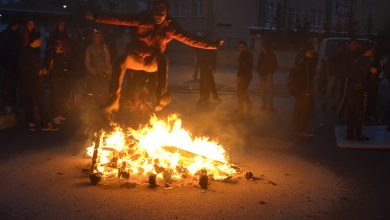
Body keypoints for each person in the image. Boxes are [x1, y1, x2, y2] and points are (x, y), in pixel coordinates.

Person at [86, 0, 222, 113]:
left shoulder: (171, 27)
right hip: (137, 59)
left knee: (163, 59)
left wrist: (213, 45)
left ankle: (161, 96)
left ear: (167, 12)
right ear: (152, 10)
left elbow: (191, 39)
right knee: (122, 60)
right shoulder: (143, 19)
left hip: (152, 62)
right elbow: (120, 19)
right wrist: (96, 16)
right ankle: (114, 99)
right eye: (155, 12)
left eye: (161, 13)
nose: (157, 16)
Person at [19, 32, 57, 131]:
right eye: (39, 40)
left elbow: (37, 63)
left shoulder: (37, 50)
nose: (41, 42)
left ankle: (44, 123)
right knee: (30, 102)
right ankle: (30, 122)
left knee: (41, 101)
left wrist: (43, 69)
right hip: (28, 81)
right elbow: (24, 67)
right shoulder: (25, 51)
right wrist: (36, 71)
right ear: (35, 40)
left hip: (37, 81)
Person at [346, 45, 377, 140]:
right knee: (360, 112)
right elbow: (366, 76)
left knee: (352, 111)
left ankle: (349, 133)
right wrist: (373, 71)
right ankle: (358, 133)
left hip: (353, 88)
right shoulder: (366, 61)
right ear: (367, 51)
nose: (373, 52)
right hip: (361, 89)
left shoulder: (356, 60)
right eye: (371, 50)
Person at [292, 44, 317, 137]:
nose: (312, 53)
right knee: (306, 110)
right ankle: (301, 129)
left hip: (300, 91)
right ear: (306, 52)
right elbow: (305, 78)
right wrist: (307, 91)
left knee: (299, 110)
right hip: (304, 91)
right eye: (310, 51)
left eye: (312, 51)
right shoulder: (305, 63)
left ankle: (297, 128)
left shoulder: (301, 61)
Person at [0, 18, 23, 113]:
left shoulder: (11, 34)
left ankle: (11, 104)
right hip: (9, 64)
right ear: (16, 25)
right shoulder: (9, 34)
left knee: (11, 85)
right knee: (8, 85)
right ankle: (8, 104)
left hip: (12, 63)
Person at [47, 39, 72, 125]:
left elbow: (65, 66)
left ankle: (58, 114)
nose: (61, 46)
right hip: (54, 79)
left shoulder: (61, 55)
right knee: (55, 98)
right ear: (56, 46)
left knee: (60, 97)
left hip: (61, 79)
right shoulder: (52, 55)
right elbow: (50, 67)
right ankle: (54, 116)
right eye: (59, 45)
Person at [85, 31, 112, 102]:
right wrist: (92, 71)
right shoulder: (89, 48)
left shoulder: (105, 48)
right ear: (93, 38)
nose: (98, 39)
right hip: (94, 75)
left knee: (104, 95)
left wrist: (109, 71)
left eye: (99, 37)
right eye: (96, 37)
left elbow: (108, 61)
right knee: (94, 94)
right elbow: (87, 63)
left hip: (103, 75)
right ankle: (93, 110)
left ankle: (104, 110)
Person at [337, 39, 361, 117]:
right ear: (349, 45)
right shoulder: (346, 54)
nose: (355, 46)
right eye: (353, 44)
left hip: (354, 78)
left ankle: (351, 112)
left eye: (356, 44)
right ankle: (340, 112)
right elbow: (344, 67)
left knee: (353, 96)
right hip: (346, 78)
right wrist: (349, 75)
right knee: (344, 95)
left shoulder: (358, 54)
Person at [323, 42, 345, 112]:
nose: (341, 49)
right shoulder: (335, 55)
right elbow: (329, 64)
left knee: (335, 91)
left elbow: (328, 64)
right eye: (341, 47)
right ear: (338, 48)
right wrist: (329, 73)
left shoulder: (340, 55)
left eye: (342, 48)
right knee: (331, 90)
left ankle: (333, 105)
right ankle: (327, 105)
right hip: (333, 75)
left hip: (337, 75)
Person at [257, 42, 278, 112]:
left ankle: (271, 106)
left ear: (265, 47)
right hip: (262, 75)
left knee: (270, 91)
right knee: (263, 91)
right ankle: (264, 105)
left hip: (269, 76)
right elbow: (258, 64)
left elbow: (275, 65)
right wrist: (259, 72)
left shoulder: (272, 55)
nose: (261, 48)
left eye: (262, 47)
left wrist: (271, 72)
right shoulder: (261, 55)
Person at [236, 41, 253, 113]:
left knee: (242, 91)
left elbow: (246, 67)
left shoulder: (247, 55)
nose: (240, 48)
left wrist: (239, 76)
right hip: (242, 76)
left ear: (245, 47)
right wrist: (238, 76)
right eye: (239, 47)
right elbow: (241, 67)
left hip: (246, 76)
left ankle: (248, 105)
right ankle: (241, 107)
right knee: (240, 91)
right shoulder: (242, 54)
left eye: (241, 47)